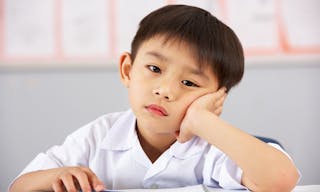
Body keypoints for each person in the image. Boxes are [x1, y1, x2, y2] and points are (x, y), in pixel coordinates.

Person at [9, 4, 299, 192]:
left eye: (189, 82)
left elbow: (281, 180)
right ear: (127, 70)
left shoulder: (213, 149)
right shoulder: (98, 137)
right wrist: (56, 177)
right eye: (155, 68)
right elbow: (19, 187)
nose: (165, 90)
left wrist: (202, 120)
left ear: (216, 97)